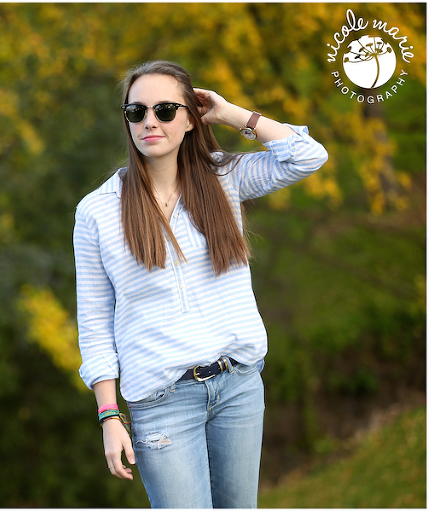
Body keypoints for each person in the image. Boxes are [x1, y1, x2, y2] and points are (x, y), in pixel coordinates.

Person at [73, 60, 328, 508]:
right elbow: (94, 323)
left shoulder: (223, 178)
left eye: (166, 109)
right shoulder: (97, 212)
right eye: (137, 112)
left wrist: (234, 115)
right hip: (161, 401)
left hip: (238, 386)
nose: (150, 121)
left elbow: (308, 156)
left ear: (191, 117)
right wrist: (109, 415)